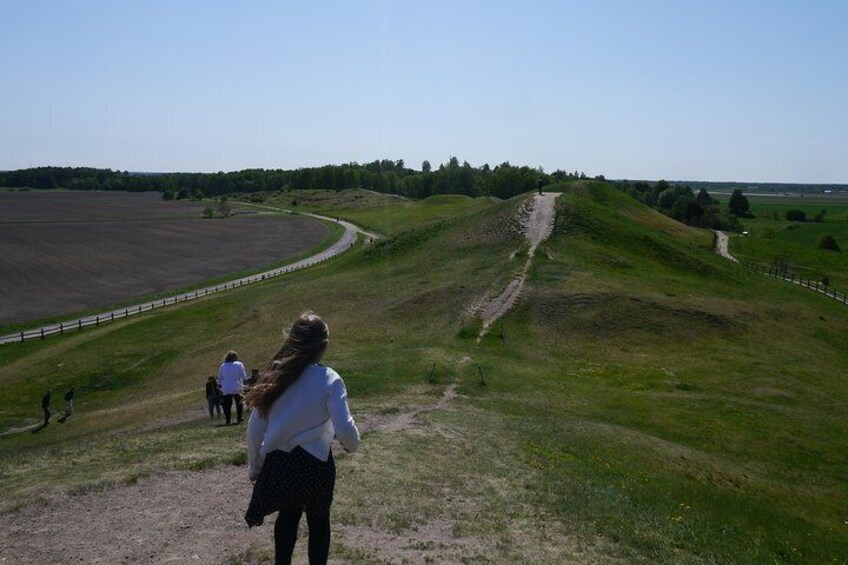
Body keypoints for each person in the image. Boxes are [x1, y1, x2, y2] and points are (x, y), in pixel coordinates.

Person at [244, 312, 360, 565]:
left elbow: (255, 430)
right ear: (324, 346)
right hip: (316, 465)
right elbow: (345, 429)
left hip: (280, 464)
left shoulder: (274, 378)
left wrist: (255, 466)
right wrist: (352, 445)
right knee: (319, 522)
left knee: (287, 517)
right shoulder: (330, 379)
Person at [217, 351, 247, 425]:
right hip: (237, 387)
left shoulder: (223, 366)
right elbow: (243, 376)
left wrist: (219, 385)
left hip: (226, 388)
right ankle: (239, 419)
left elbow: (220, 377)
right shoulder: (239, 364)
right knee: (239, 404)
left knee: (227, 405)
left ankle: (228, 420)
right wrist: (246, 384)